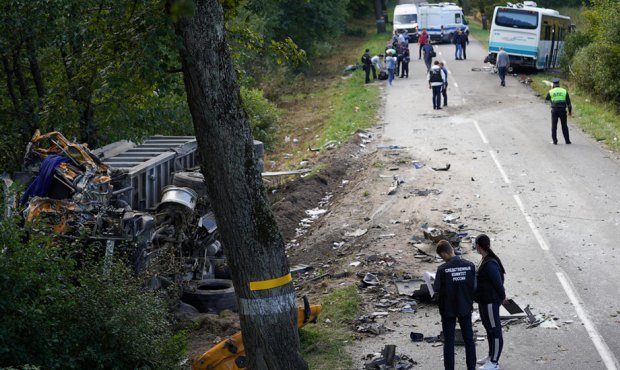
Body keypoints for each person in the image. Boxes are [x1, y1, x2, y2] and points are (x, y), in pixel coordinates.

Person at [434, 240, 477, 370]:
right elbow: (474, 287)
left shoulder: (442, 269)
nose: (443, 259)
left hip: (448, 310)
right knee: (469, 341)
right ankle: (471, 367)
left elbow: (437, 290)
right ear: (452, 249)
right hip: (465, 308)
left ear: (444, 253)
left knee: (449, 342)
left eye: (442, 256)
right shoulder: (470, 266)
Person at [474, 234, 506, 370]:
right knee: (488, 329)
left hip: (490, 302)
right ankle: (490, 356)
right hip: (483, 301)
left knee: (495, 331)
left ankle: (494, 362)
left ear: (478, 246)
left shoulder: (490, 263)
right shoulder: (485, 259)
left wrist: (503, 297)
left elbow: (498, 283)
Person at [545, 78, 572, 145]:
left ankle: (555, 141)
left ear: (553, 84)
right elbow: (569, 104)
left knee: (554, 126)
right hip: (562, 110)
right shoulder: (564, 91)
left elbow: (546, 98)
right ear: (559, 84)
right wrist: (570, 112)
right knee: (564, 125)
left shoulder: (551, 91)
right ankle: (567, 141)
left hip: (554, 110)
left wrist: (552, 91)